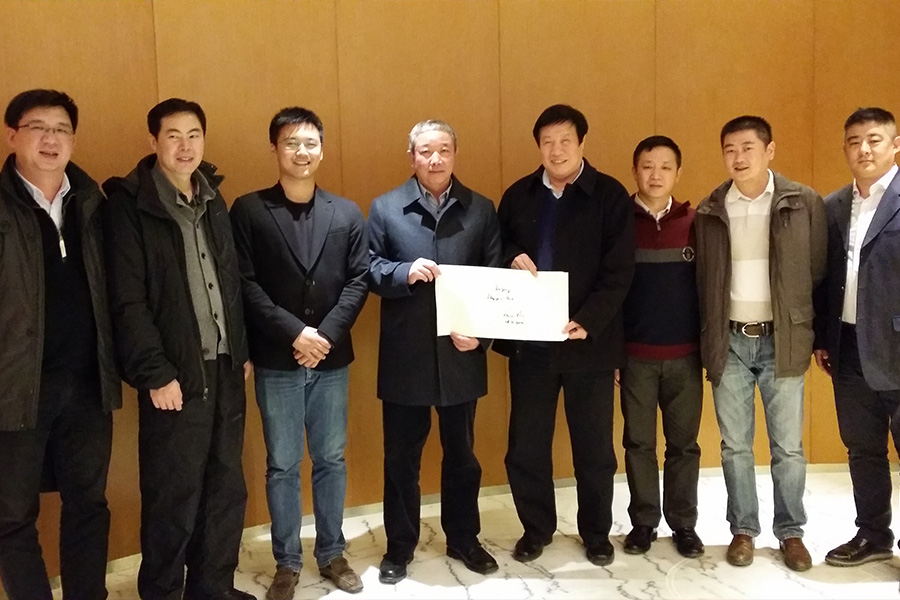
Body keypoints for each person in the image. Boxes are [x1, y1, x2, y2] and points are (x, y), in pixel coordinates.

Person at [103, 98, 253, 600]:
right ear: (154, 142)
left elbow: (230, 278)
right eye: (173, 135)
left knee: (225, 487)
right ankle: (163, 592)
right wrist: (154, 373)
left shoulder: (213, 195)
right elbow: (128, 300)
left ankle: (213, 587)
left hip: (226, 368)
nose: (185, 146)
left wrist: (241, 348)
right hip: (174, 375)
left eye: (194, 135)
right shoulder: (131, 204)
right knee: (173, 495)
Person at [230, 107, 368, 597]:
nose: (301, 151)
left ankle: (331, 553)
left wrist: (322, 335)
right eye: (291, 142)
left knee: (331, 459)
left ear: (322, 149)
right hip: (277, 358)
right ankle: (287, 562)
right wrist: (295, 333)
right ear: (275, 148)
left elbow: (358, 279)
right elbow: (244, 283)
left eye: (310, 142)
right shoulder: (248, 210)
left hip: (331, 358)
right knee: (283, 465)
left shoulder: (346, 213)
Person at [495, 104, 635, 566]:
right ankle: (536, 529)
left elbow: (620, 271)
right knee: (526, 445)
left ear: (582, 143)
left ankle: (596, 532)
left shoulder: (609, 195)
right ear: (538, 146)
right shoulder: (518, 195)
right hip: (531, 343)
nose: (556, 150)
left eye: (565, 141)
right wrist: (511, 255)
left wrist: (589, 320)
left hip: (588, 344)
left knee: (594, 448)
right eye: (547, 142)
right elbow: (497, 246)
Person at [368, 119, 502, 584]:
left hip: (461, 355)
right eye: (425, 151)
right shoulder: (385, 208)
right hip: (405, 357)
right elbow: (368, 268)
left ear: (455, 154)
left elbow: (495, 278)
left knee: (462, 456)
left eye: (443, 149)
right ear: (412, 157)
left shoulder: (481, 209)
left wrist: (482, 336)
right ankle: (399, 547)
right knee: (400, 459)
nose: (435, 159)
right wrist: (402, 272)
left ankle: (464, 538)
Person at [0, 89, 121, 600]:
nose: (51, 139)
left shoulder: (93, 204)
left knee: (89, 504)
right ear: (12, 135)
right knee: (11, 514)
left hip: (88, 382)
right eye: (38, 127)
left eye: (62, 129)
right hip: (16, 387)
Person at [694, 115, 826, 572]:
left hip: (781, 339)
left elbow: (818, 273)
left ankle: (791, 532)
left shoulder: (802, 202)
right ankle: (743, 529)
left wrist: (811, 333)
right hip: (728, 339)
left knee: (788, 446)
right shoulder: (710, 209)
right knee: (735, 445)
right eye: (730, 149)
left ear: (769, 151)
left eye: (748, 147)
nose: (739, 157)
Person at [813, 107, 900, 567]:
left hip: (896, 348)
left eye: (874, 139)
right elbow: (825, 280)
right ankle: (873, 535)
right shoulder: (832, 207)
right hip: (847, 349)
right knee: (863, 450)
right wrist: (823, 338)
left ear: (895, 145)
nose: (863, 149)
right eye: (854, 141)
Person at [620, 135, 704, 558]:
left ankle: (684, 525)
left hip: (685, 357)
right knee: (638, 444)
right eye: (648, 166)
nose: (656, 175)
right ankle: (643, 523)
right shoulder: (618, 223)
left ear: (677, 172)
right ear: (635, 170)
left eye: (665, 167)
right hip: (635, 357)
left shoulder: (696, 223)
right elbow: (609, 291)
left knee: (684, 445)